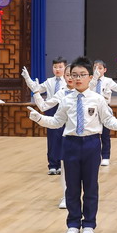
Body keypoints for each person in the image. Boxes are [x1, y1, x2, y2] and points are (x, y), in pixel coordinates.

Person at [28, 57, 117, 233]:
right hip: (70, 144)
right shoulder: (66, 99)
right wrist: (39, 118)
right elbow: (57, 122)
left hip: (92, 144)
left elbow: (108, 120)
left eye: (82, 75)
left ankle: (89, 223)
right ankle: (73, 223)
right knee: (72, 187)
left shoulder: (98, 99)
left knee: (91, 186)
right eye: (74, 75)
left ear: (90, 77)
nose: (77, 78)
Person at [32, 64, 75, 209]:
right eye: (68, 75)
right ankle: (66, 196)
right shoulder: (62, 93)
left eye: (74, 75)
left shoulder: (91, 95)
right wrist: (36, 93)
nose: (71, 78)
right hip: (67, 132)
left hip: (85, 136)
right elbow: (44, 106)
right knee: (65, 166)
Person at [23, 57, 68, 174]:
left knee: (63, 137)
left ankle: (62, 164)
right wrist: (27, 78)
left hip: (64, 109)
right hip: (51, 109)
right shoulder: (49, 81)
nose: (57, 69)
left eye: (60, 67)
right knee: (52, 138)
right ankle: (52, 165)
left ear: (65, 68)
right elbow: (36, 89)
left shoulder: (67, 82)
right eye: (55, 67)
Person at [89, 59, 117, 166]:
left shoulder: (108, 81)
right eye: (95, 68)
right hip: (92, 109)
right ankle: (94, 156)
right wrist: (94, 78)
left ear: (105, 70)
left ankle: (105, 156)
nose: (97, 70)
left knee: (105, 134)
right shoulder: (90, 80)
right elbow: (88, 88)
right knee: (93, 133)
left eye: (100, 68)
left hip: (105, 108)